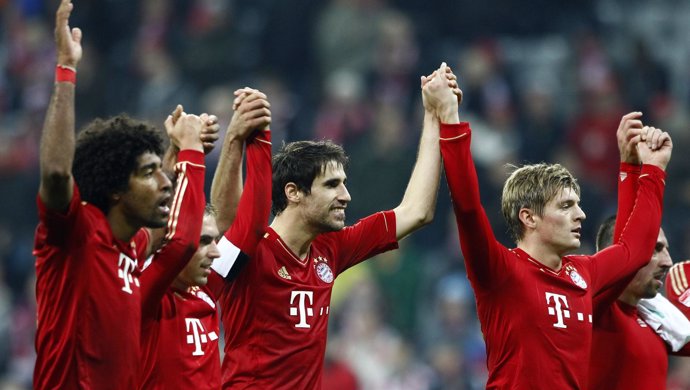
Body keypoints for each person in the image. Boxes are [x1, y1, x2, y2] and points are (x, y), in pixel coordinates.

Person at [214, 62, 459, 389]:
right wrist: (234, 140)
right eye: (332, 185)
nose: (346, 196)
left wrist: (433, 118)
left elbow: (417, 212)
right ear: (294, 193)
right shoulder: (254, 248)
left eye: (343, 184)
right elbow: (226, 218)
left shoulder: (331, 249)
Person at [440, 78, 672, 388]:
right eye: (565, 206)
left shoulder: (583, 274)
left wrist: (650, 168)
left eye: (577, 204)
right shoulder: (500, 271)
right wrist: (449, 119)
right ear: (529, 217)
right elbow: (468, 208)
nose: (581, 214)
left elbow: (634, 250)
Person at [33, 1, 208, 388]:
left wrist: (175, 156)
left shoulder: (129, 248)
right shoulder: (75, 233)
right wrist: (66, 68)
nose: (164, 183)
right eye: (149, 174)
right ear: (114, 189)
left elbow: (177, 235)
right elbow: (58, 172)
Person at [141, 88, 273, 390]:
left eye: (212, 240)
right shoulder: (146, 293)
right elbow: (165, 229)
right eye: (202, 241)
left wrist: (257, 136)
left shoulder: (204, 290)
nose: (214, 252)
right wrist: (187, 152)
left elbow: (251, 228)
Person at [590, 215, 690, 389]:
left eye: (666, 250)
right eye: (655, 249)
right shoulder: (595, 309)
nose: (668, 262)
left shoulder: (657, 319)